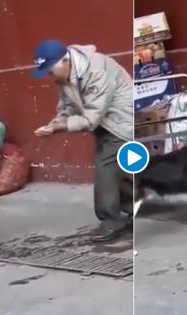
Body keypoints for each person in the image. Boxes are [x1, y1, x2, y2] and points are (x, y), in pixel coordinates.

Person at [32, 39, 133, 241]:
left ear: (65, 61)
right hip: (105, 122)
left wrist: (61, 127)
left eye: (50, 72)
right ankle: (134, 203)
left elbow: (91, 118)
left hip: (122, 120)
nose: (50, 77)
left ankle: (111, 221)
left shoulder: (97, 70)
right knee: (107, 167)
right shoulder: (65, 77)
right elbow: (66, 108)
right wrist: (54, 124)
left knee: (105, 165)